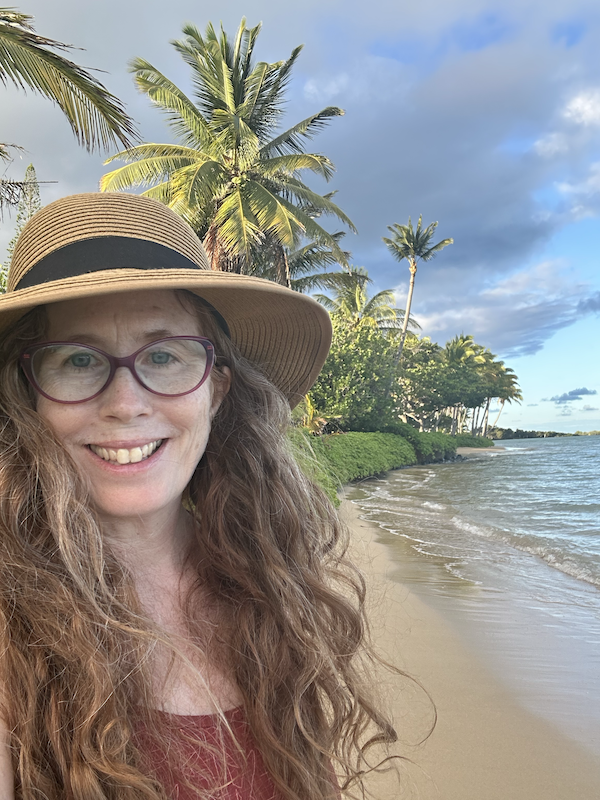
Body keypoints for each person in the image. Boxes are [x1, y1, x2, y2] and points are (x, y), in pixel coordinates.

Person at [0, 192, 396, 799]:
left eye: (163, 356)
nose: (126, 403)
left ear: (215, 391)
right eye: (77, 359)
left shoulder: (273, 582)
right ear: (27, 397)